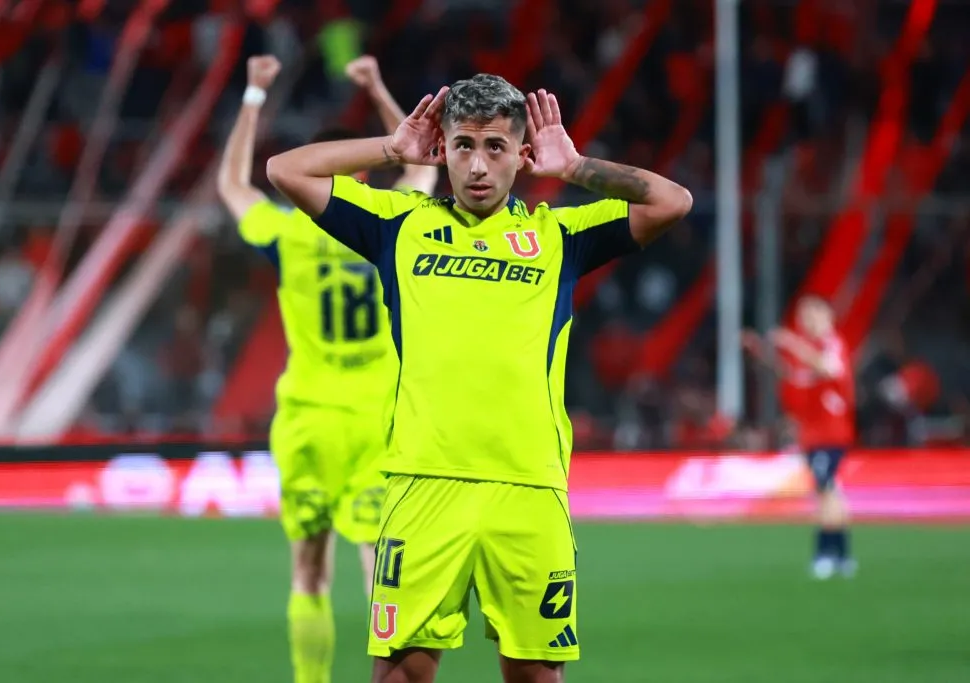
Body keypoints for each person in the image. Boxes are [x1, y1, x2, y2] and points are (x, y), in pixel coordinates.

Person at [267, 73, 691, 683]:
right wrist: (391, 150)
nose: (478, 165)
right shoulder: (399, 224)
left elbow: (672, 201)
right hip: (423, 483)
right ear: (443, 148)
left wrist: (574, 168)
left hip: (528, 488)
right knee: (400, 675)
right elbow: (286, 170)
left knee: (534, 676)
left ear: (523, 154)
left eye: (496, 147)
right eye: (463, 144)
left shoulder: (559, 236)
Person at [217, 54, 438, 683]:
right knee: (381, 573)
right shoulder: (388, 224)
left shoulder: (289, 232)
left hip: (309, 415)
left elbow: (233, 187)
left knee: (309, 571)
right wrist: (377, 87)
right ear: (365, 177)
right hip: (379, 418)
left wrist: (254, 96)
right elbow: (421, 165)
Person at [743, 295, 857, 580]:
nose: (808, 323)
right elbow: (794, 374)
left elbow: (825, 368)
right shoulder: (817, 349)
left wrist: (790, 342)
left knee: (826, 493)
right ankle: (842, 556)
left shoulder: (831, 344)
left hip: (829, 434)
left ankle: (826, 554)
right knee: (830, 493)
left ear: (827, 315)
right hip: (815, 434)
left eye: (812, 316)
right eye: (804, 318)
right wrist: (761, 351)